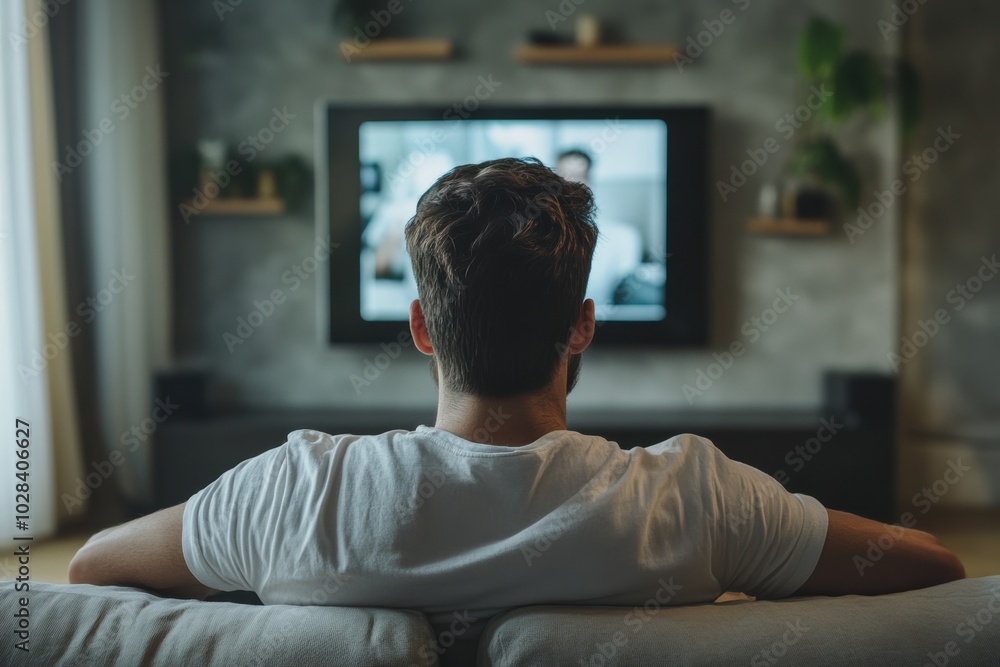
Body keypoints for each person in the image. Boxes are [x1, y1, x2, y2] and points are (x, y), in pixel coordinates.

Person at [69, 158, 964, 641]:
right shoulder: (697, 496)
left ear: (422, 326)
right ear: (582, 325)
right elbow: (930, 566)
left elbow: (89, 572)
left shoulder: (292, 492)